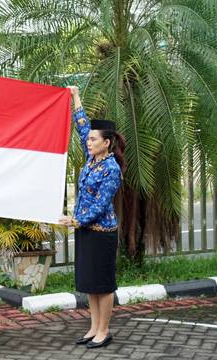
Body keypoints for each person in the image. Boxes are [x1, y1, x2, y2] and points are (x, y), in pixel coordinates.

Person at [59, 86, 125, 349]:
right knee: (90, 284)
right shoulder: (92, 158)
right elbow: (82, 125)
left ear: (106, 143)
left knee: (103, 284)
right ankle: (93, 327)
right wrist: (75, 97)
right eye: (89, 140)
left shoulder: (111, 168)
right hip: (86, 231)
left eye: (94, 140)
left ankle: (104, 330)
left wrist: (74, 220)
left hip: (102, 233)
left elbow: (100, 204)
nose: (88, 142)